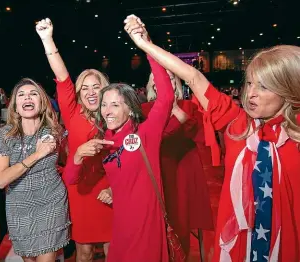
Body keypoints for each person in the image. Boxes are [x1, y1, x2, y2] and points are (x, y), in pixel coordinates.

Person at [128, 14, 300, 262]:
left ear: (288, 92)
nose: (251, 93)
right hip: (240, 242)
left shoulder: (294, 138)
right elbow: (193, 77)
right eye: (249, 83)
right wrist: (145, 44)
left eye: (264, 87)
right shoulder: (237, 125)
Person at [63, 18, 175, 262]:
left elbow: (166, 96)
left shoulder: (146, 132)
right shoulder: (106, 139)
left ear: (130, 108)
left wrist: (147, 46)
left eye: (115, 104)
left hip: (146, 221)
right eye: (104, 105)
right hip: (119, 224)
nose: (107, 110)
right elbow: (70, 178)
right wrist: (79, 154)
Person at [36, 18, 113, 262]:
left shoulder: (116, 114)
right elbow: (62, 78)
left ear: (106, 89)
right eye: (85, 88)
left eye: (96, 86)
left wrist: (115, 187)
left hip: (110, 188)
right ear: (79, 93)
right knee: (85, 251)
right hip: (80, 188)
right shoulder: (72, 113)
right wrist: (48, 39)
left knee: (115, 247)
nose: (91, 92)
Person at [0, 78, 70, 262]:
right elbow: (1, 180)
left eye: (33, 94)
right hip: (19, 206)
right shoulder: (3, 136)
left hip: (51, 202)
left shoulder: (56, 131)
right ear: (15, 106)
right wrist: (37, 154)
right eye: (22, 94)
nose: (28, 97)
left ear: (42, 102)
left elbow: (68, 162)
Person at [143, 70, 214, 255]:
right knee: (156, 221)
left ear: (177, 84)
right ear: (153, 85)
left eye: (171, 79)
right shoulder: (144, 109)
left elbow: (199, 135)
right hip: (156, 170)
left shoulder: (188, 106)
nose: (166, 82)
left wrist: (175, 109)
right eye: (160, 79)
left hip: (183, 170)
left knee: (181, 220)